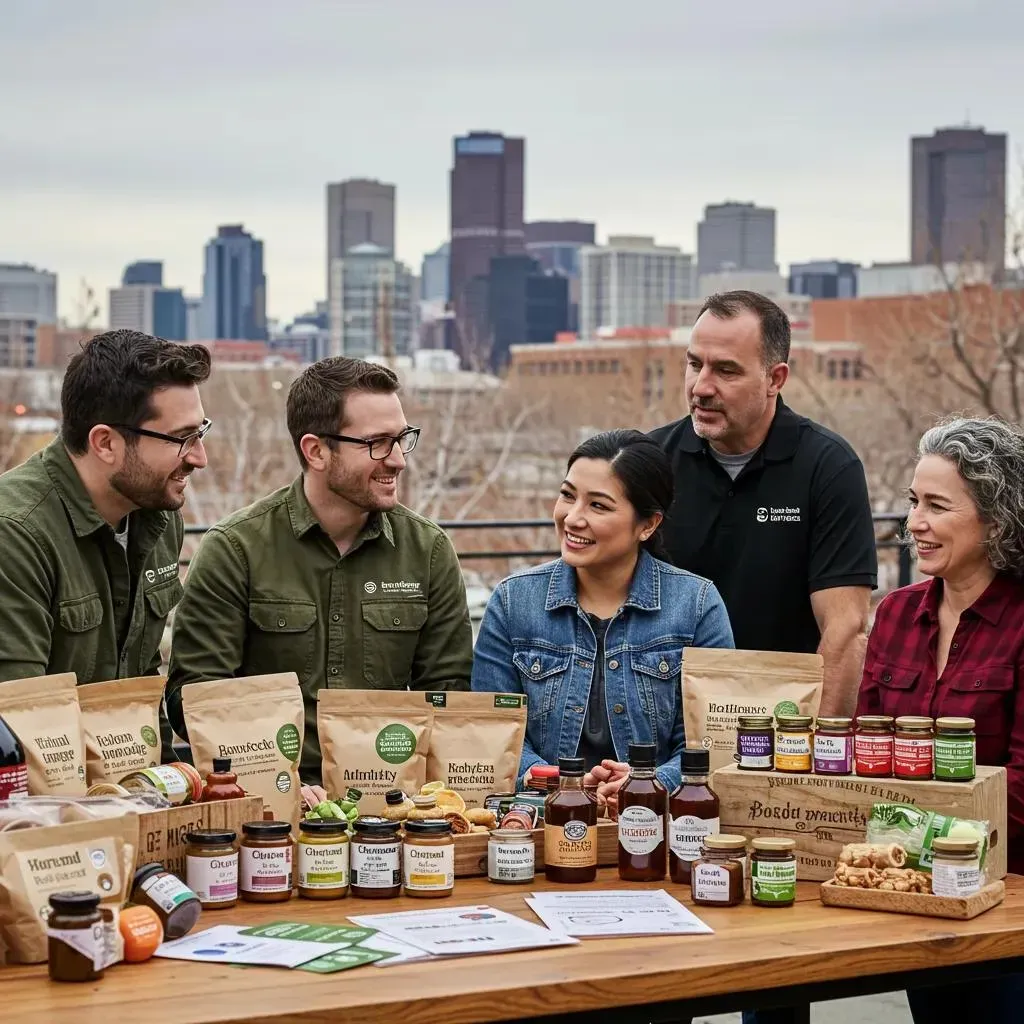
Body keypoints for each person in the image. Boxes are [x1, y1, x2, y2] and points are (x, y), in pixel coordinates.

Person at [167, 356, 473, 789]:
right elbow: (194, 698)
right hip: (266, 801)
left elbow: (449, 699)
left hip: (390, 802)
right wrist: (276, 777)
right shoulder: (235, 549)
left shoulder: (428, 551)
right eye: (378, 443)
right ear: (316, 450)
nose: (400, 460)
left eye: (403, 439)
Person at [856, 417, 1024, 1024]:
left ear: (997, 521)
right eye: (912, 502)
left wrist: (914, 830)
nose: (914, 524)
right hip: (912, 894)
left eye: (936, 505)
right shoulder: (895, 615)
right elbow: (865, 752)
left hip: (1007, 899)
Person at [649, 290, 877, 718]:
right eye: (695, 364)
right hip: (663, 721)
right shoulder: (649, 462)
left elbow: (845, 629)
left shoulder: (829, 466)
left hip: (783, 718)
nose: (701, 387)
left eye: (726, 371)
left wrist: (812, 752)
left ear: (776, 378)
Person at [471, 429, 734, 795]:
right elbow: (492, 734)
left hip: (658, 821)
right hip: (537, 820)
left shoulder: (697, 605)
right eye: (567, 496)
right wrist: (566, 783)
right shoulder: (513, 602)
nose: (573, 518)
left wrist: (648, 783)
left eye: (598, 505)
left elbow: (709, 743)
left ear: (648, 524)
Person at [0, 329, 212, 757]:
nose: (198, 457)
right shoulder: (16, 535)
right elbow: (22, 724)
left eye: (201, 432)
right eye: (181, 438)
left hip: (127, 794)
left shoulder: (157, 517)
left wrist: (168, 785)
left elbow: (143, 683)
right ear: (106, 443)